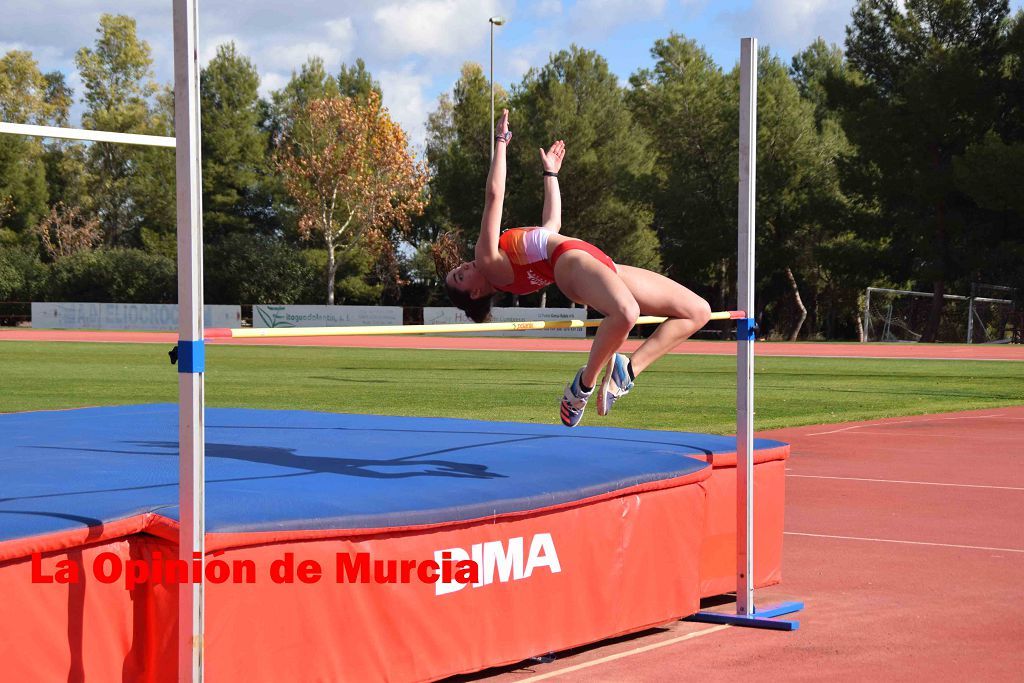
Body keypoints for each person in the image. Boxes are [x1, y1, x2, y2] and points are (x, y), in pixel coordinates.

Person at [439, 109, 712, 427]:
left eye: (458, 266)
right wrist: (501, 141)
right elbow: (494, 195)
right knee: (626, 313)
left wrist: (551, 175)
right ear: (474, 290)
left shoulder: (516, 274)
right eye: (460, 274)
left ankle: (627, 370)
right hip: (572, 262)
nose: (464, 265)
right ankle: (582, 387)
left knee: (698, 311)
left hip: (597, 260)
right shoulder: (488, 259)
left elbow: (551, 225)